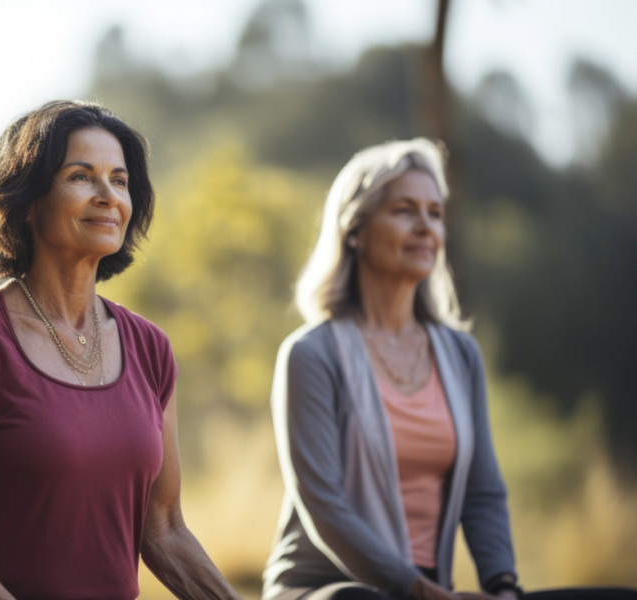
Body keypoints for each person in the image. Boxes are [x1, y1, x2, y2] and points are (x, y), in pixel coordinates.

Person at [262, 138, 637, 600]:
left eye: (435, 214)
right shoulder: (311, 354)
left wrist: (503, 586)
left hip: (427, 590)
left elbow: (482, 491)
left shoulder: (460, 354)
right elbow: (324, 505)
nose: (425, 227)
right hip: (328, 588)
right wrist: (412, 589)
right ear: (354, 230)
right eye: (404, 210)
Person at [0, 100, 240, 600]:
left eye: (120, 180)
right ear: (27, 201)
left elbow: (165, 530)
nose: (108, 196)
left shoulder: (150, 349)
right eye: (82, 177)